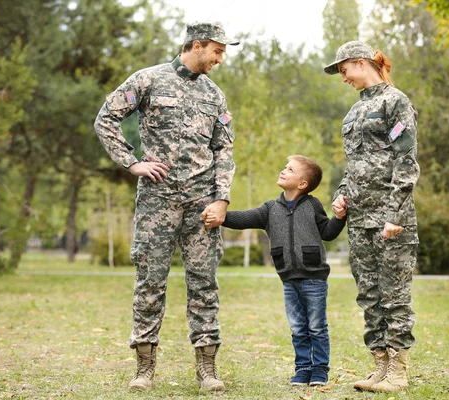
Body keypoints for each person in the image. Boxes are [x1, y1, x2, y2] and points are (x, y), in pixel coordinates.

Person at [93, 22, 239, 392]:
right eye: (217, 51)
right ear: (197, 45)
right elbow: (106, 118)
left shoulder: (214, 95)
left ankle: (207, 370)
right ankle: (144, 368)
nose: (220, 59)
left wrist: (222, 197)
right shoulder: (148, 80)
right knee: (149, 284)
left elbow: (224, 149)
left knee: (204, 284)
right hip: (158, 202)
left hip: (202, 205)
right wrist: (131, 162)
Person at [323, 41, 420, 393]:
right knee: (370, 295)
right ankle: (379, 366)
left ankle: (398, 371)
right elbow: (356, 164)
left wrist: (396, 213)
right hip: (360, 219)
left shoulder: (396, 102)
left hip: (390, 220)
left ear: (360, 63)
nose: (343, 77)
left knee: (394, 295)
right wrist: (342, 194)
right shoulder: (353, 113)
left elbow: (406, 161)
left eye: (344, 70)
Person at [205, 155, 346, 386]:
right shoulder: (270, 209)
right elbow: (243, 218)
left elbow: (328, 232)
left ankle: (320, 369)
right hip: (288, 279)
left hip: (314, 279)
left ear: (302, 184)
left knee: (317, 327)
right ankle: (302, 369)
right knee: (298, 327)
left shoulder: (312, 205)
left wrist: (339, 218)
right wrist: (220, 216)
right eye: (284, 167)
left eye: (289, 169)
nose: (283, 171)